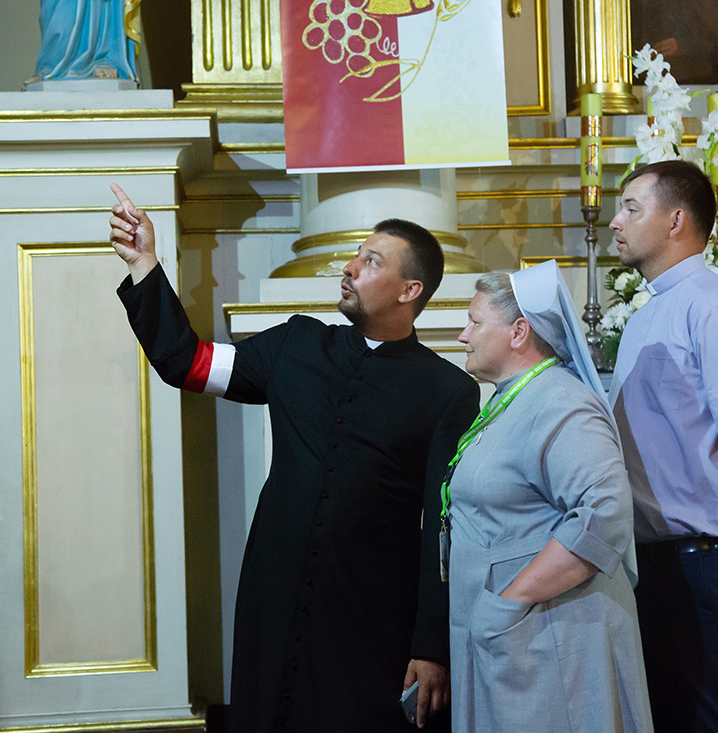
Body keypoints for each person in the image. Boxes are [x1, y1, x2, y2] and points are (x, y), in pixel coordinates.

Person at [108, 184, 480, 731]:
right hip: (272, 597)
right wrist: (144, 264)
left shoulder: (447, 390)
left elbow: (445, 527)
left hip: (372, 616)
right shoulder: (296, 343)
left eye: (371, 261)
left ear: (410, 290)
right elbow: (187, 363)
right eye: (356, 254)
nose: (350, 267)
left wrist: (432, 645)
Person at [608, 160, 718, 732]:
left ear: (676, 220)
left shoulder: (712, 305)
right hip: (655, 560)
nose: (615, 222)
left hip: (700, 560)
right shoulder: (651, 311)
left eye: (632, 208)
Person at [446, 261, 653, 732]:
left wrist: (510, 601)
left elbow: (604, 514)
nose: (463, 335)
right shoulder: (516, 398)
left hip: (548, 632)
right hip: (518, 632)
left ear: (519, 332)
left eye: (475, 322)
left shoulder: (562, 402)